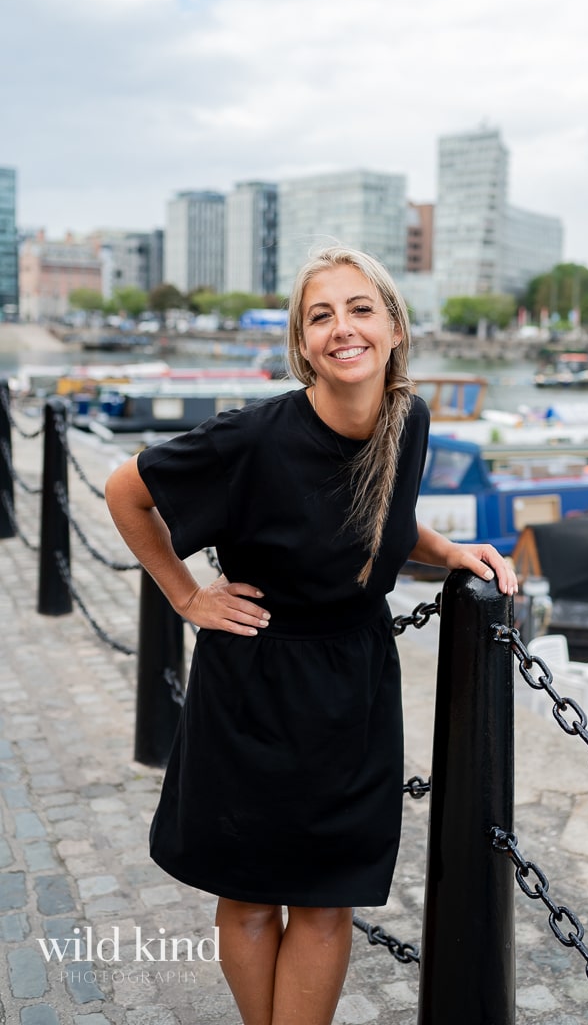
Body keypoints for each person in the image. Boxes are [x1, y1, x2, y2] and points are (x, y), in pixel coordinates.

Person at [105, 245, 517, 1025]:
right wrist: (187, 596)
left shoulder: (408, 419)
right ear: (301, 345)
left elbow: (375, 513)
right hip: (253, 687)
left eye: (360, 308)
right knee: (254, 899)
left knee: (328, 908)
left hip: (355, 690)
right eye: (320, 316)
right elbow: (124, 492)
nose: (342, 328)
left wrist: (448, 551)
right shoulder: (252, 438)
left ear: (394, 326)